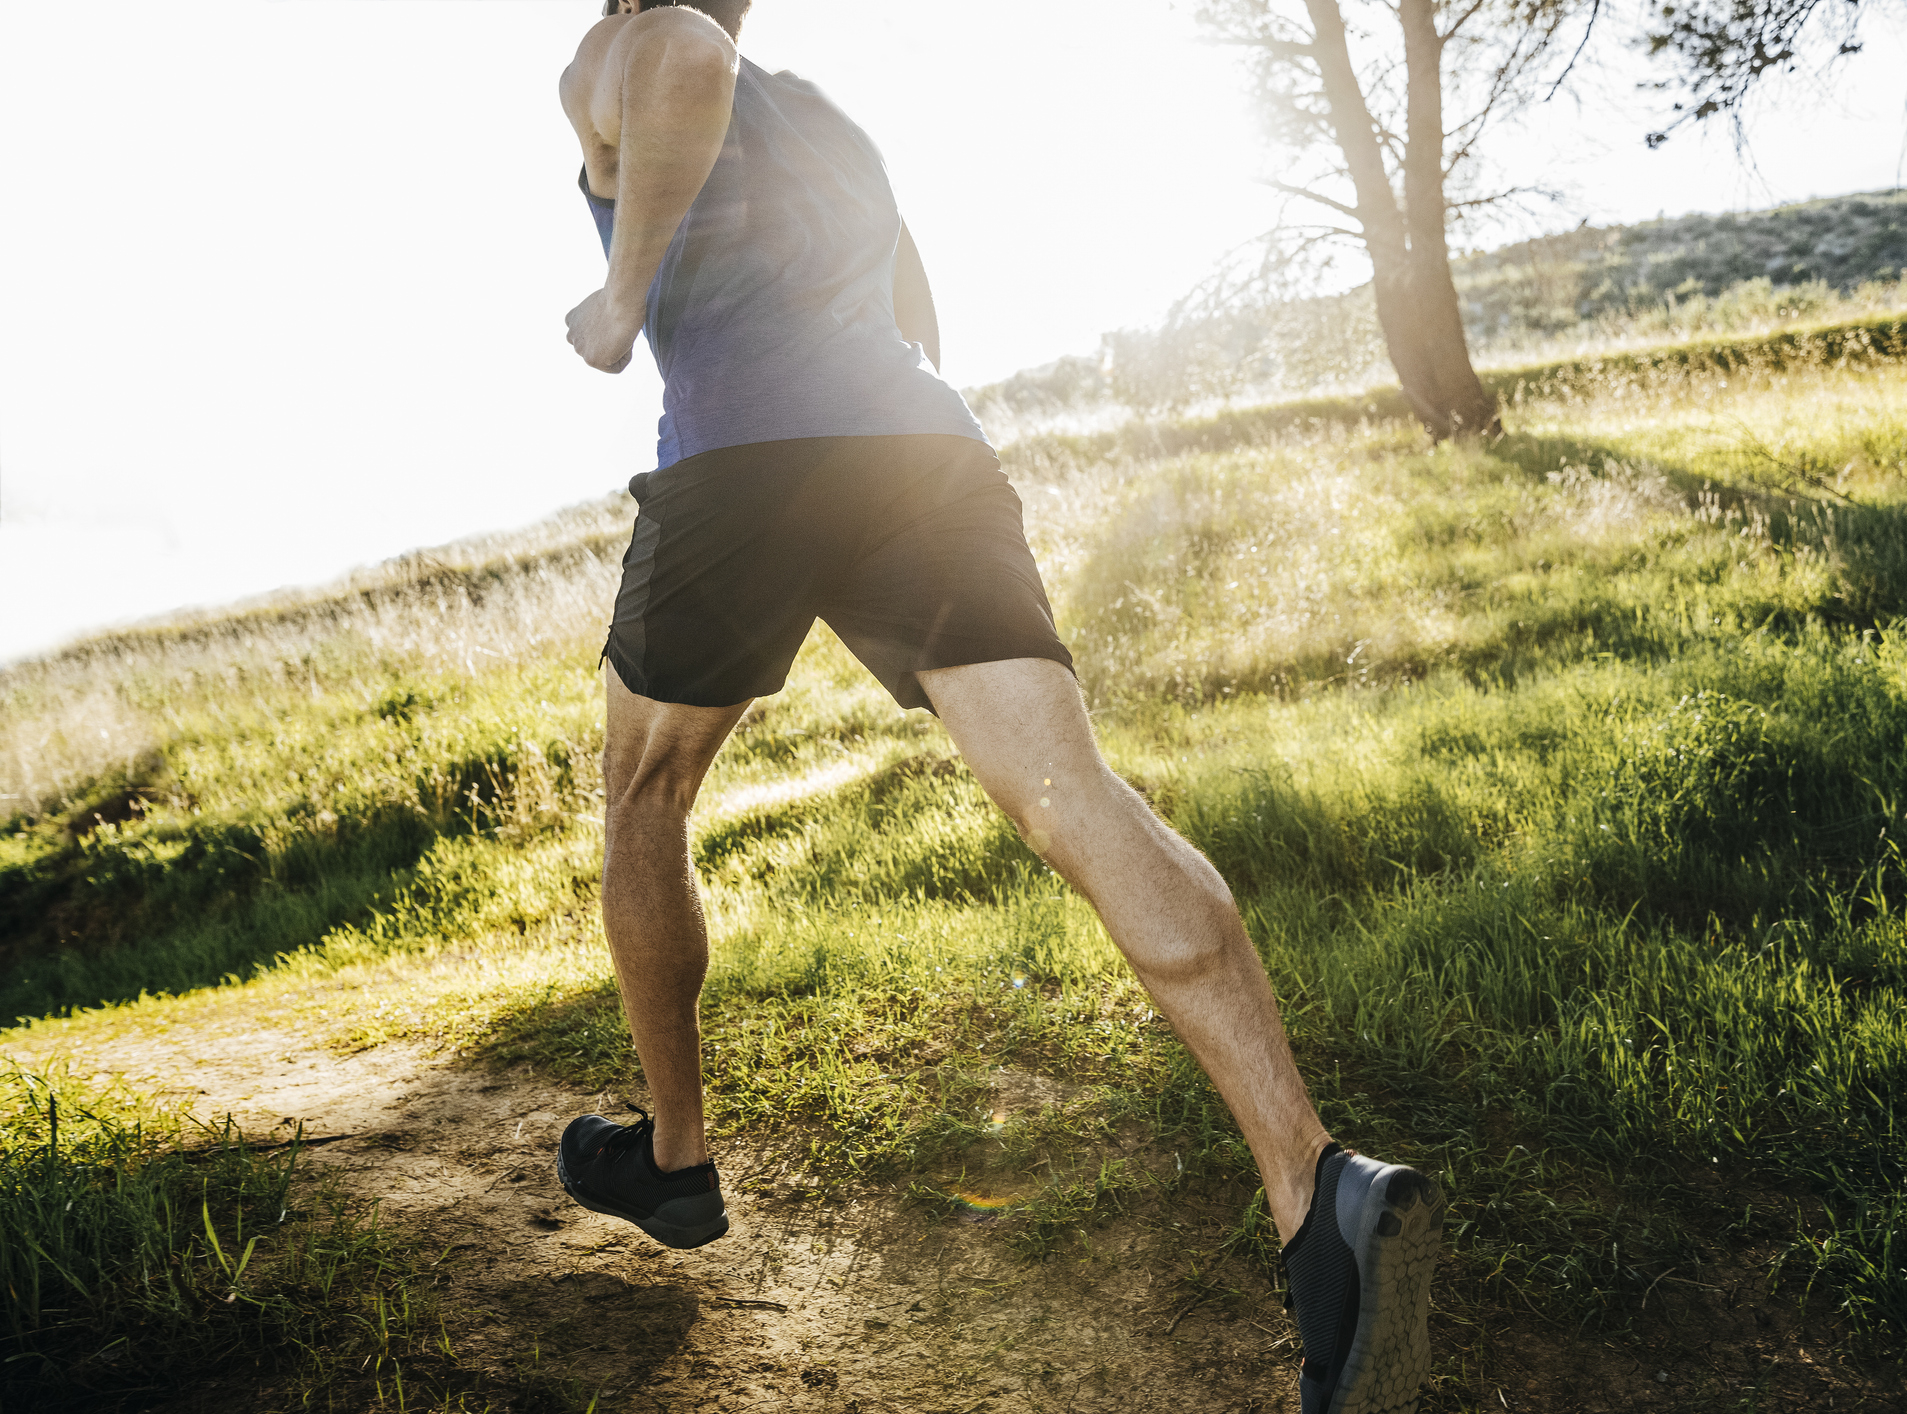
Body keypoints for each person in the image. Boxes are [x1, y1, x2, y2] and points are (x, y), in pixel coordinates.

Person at [547, 2, 1444, 1408]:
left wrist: (622, 297)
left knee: (642, 791)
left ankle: (672, 1155)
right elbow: (917, 313)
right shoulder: (833, 122)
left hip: (742, 458)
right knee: (1073, 796)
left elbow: (677, 62)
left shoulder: (629, 40)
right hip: (920, 452)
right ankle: (1311, 1182)